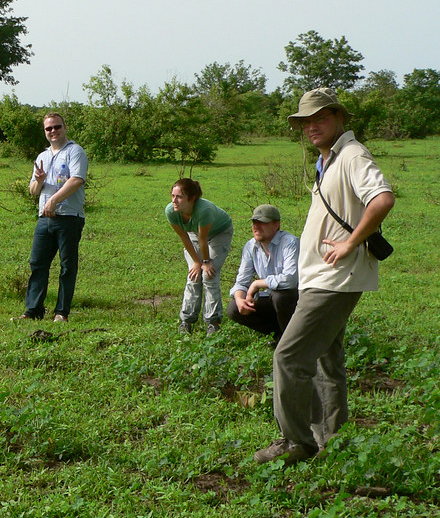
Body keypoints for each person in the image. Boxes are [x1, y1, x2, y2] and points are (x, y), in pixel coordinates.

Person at [255, 88, 394, 465]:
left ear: (339, 118)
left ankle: (295, 442)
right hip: (322, 275)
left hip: (335, 278)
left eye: (320, 118)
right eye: (306, 122)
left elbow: (382, 198)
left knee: (288, 356)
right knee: (325, 359)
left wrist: (350, 242)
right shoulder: (329, 159)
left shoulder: (352, 155)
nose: (312, 127)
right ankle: (332, 437)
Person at [17, 112, 88, 322]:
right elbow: (33, 190)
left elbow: (76, 180)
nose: (53, 131)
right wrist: (39, 181)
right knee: (38, 264)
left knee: (67, 266)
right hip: (45, 219)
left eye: (57, 127)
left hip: (69, 217)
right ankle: (33, 310)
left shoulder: (75, 151)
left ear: (65, 127)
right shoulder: (42, 157)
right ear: (44, 132)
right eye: (49, 129)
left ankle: (61, 312)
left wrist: (54, 200)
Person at [165, 178, 234, 334]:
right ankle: (186, 320)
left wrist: (205, 262)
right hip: (195, 234)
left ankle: (213, 322)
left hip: (219, 233)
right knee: (194, 275)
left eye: (179, 197)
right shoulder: (171, 211)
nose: (174, 200)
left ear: (192, 198)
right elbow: (184, 237)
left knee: (210, 275)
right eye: (172, 196)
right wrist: (197, 262)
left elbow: (204, 239)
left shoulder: (204, 210)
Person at [226, 204, 299, 344]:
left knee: (280, 296)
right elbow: (241, 282)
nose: (256, 227)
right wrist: (240, 298)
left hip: (296, 298)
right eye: (254, 222)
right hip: (270, 298)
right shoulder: (250, 246)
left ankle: (293, 341)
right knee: (233, 308)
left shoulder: (290, 243)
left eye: (263, 223)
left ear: (276, 225)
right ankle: (279, 335)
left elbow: (290, 280)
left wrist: (257, 283)